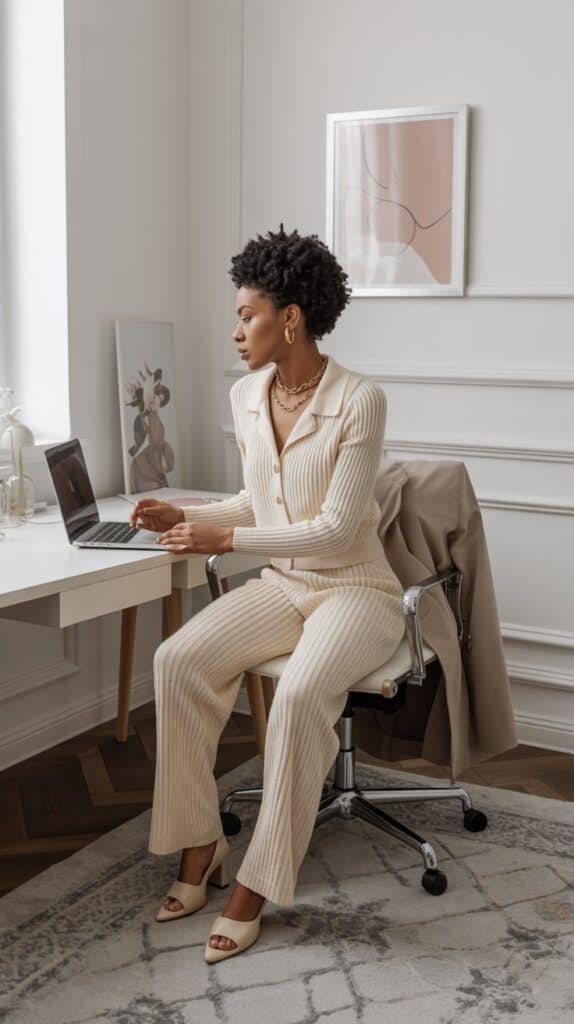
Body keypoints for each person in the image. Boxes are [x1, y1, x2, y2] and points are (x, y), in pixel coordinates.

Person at [131, 223, 405, 963]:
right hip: (286, 585)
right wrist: (186, 516)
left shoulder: (360, 401)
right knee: (177, 661)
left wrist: (224, 542)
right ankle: (200, 844)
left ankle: (255, 881)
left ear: (291, 318)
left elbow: (337, 526)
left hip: (357, 593)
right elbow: (259, 503)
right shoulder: (246, 394)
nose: (235, 331)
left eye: (247, 315)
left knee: (300, 694)